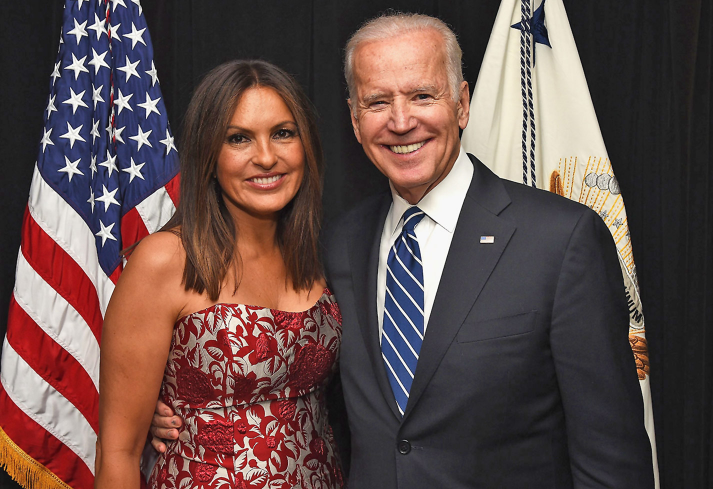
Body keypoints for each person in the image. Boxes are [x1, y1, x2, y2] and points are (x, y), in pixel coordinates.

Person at [152, 13, 655, 489]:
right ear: (354, 119)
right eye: (376, 102)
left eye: (422, 95)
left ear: (461, 103)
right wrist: (180, 400)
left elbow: (611, 459)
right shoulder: (337, 246)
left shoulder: (561, 240)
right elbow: (297, 378)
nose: (400, 121)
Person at [95, 59, 343, 489]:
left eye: (283, 133)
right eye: (238, 139)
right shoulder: (166, 260)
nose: (266, 157)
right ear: (209, 157)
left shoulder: (321, 254)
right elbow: (117, 452)